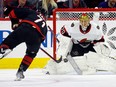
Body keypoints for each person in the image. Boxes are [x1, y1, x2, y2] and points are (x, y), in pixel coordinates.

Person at [0, 3, 48, 81]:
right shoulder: (45, 26)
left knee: (7, 44)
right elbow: (42, 39)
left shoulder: (32, 12)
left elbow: (13, 13)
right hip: (37, 38)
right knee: (31, 54)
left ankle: (3, 49)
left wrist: (15, 23)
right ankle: (20, 71)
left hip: (26, 27)